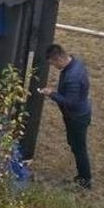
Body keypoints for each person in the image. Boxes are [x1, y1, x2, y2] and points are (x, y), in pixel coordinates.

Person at [37, 43, 93, 189]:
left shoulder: (72, 77)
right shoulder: (75, 63)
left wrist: (52, 94)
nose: (53, 66)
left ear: (58, 59)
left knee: (79, 148)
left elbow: (71, 103)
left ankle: (85, 180)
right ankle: (82, 175)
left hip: (77, 117)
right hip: (78, 113)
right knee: (74, 143)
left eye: (52, 63)